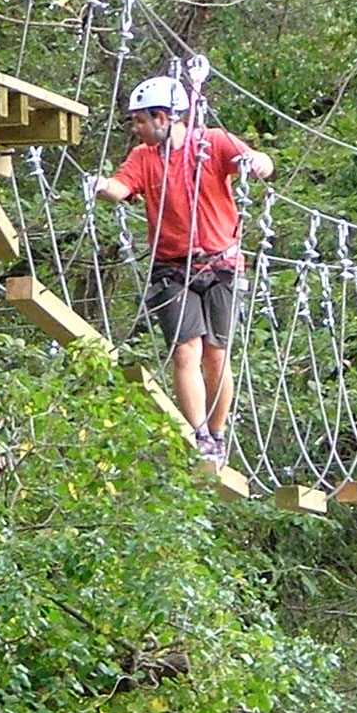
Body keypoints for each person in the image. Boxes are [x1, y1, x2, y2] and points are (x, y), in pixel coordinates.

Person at [93, 75, 274, 463]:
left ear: (163, 117)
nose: (136, 129)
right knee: (185, 351)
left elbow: (263, 164)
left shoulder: (211, 144)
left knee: (216, 353)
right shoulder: (143, 158)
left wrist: (257, 162)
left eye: (141, 121)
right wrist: (100, 185)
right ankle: (200, 435)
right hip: (172, 268)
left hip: (222, 262)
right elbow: (121, 188)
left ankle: (219, 432)